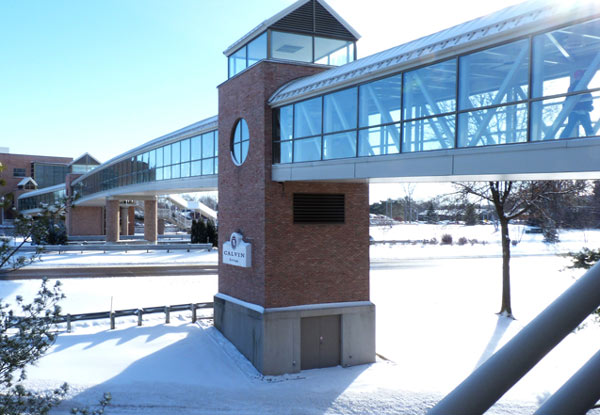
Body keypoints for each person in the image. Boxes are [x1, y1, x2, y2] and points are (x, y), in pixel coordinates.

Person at [560, 69, 594, 138]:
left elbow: (569, 98)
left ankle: (562, 139)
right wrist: (588, 106)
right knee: (587, 126)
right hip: (581, 110)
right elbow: (588, 98)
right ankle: (591, 139)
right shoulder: (581, 86)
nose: (582, 77)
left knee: (570, 126)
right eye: (581, 75)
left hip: (576, 110)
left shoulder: (574, 86)